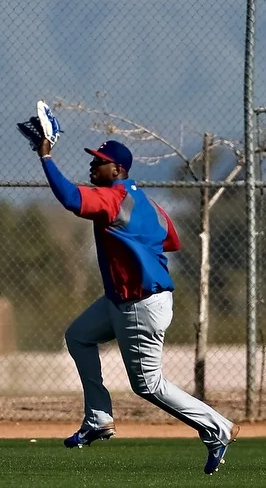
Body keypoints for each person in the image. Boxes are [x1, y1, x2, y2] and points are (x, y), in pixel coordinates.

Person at [32, 131, 235, 474]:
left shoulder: (111, 199)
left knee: (148, 385)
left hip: (139, 305)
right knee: (79, 336)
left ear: (118, 170)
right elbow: (170, 239)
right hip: (123, 299)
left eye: (99, 161)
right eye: (93, 159)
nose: (92, 164)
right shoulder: (147, 203)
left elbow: (70, 199)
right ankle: (98, 418)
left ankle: (217, 429)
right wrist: (136, 248)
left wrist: (46, 158)